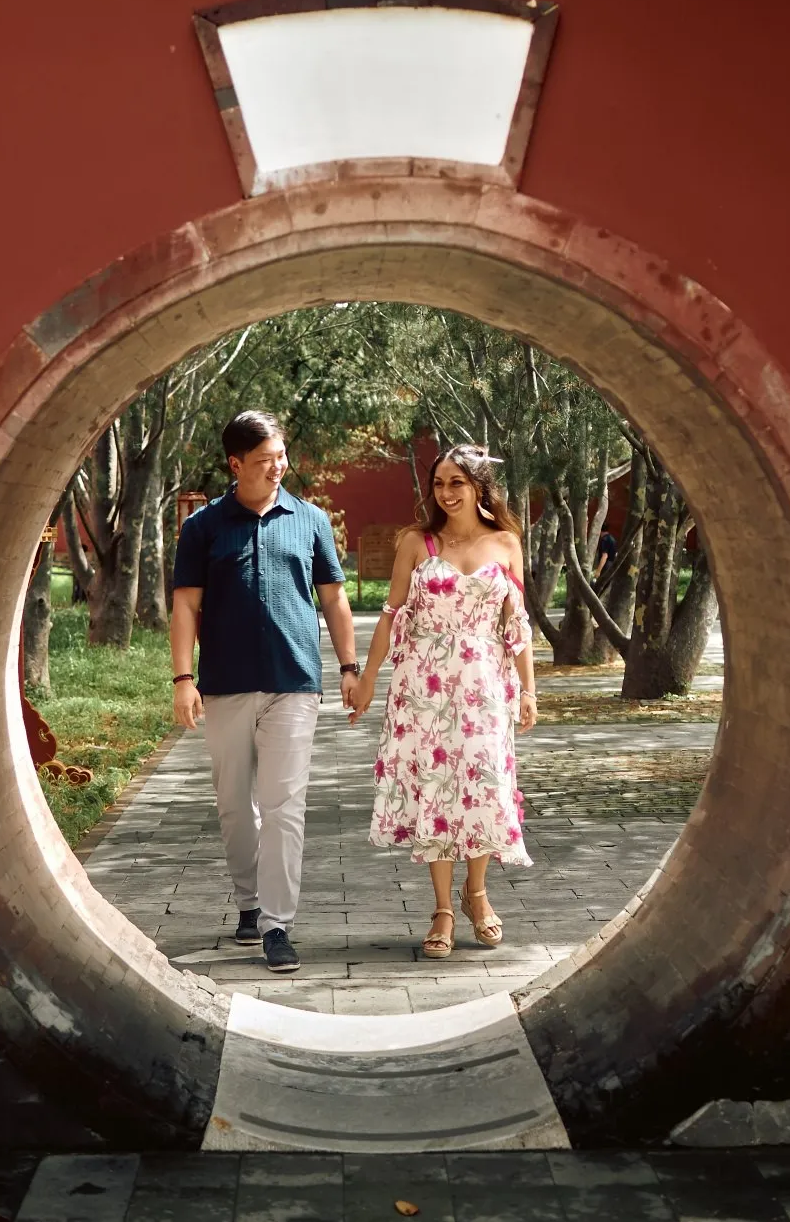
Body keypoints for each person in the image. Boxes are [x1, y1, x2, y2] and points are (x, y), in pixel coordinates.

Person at [170, 410, 361, 973]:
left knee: (284, 807)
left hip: (294, 682)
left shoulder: (310, 521)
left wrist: (349, 667)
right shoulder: (203, 527)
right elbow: (185, 604)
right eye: (265, 460)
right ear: (236, 464)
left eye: (281, 456)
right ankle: (248, 904)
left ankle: (278, 924)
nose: (278, 467)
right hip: (225, 685)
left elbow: (333, 599)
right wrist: (183, 679)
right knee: (235, 807)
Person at [347, 443, 537, 959]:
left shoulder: (506, 542)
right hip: (424, 687)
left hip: (484, 686)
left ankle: (477, 896)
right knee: (435, 787)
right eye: (438, 484)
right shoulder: (417, 542)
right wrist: (367, 678)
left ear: (479, 486)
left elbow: (515, 622)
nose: (446, 493)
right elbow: (389, 615)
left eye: (457, 482)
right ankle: (442, 909)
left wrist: (528, 689)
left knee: (480, 785)